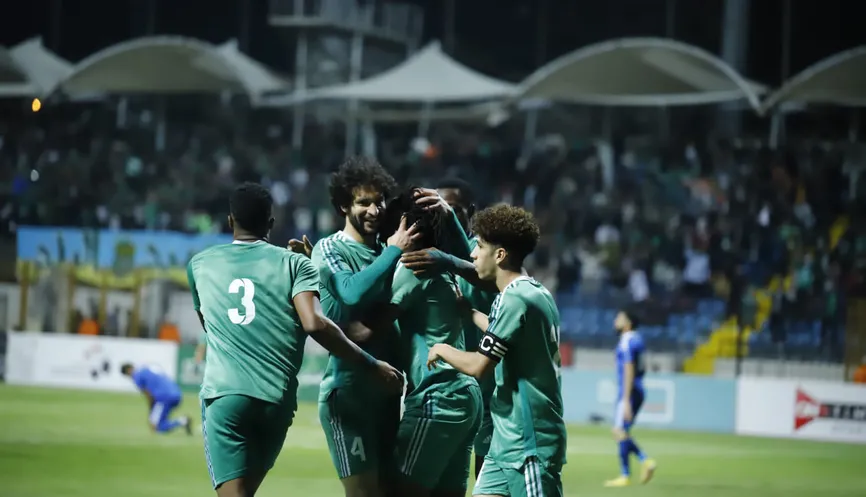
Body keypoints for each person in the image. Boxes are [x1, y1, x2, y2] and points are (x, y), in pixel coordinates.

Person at [187, 182, 402, 497]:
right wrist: (371, 363)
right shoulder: (296, 263)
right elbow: (314, 323)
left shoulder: (199, 264)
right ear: (271, 223)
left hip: (224, 395)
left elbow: (208, 323)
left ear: (230, 221)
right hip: (276, 399)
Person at [425, 204, 567, 497]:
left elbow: (479, 366)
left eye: (479, 246)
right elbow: (504, 333)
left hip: (529, 442)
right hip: (505, 442)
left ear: (500, 255)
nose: (473, 254)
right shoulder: (535, 292)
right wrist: (469, 313)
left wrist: (442, 349)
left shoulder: (513, 299)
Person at [310, 157, 420, 497]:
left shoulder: (385, 251)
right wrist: (393, 252)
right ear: (344, 206)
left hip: (387, 395)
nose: (374, 210)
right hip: (349, 395)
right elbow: (350, 292)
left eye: (379, 201)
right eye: (363, 202)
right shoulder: (330, 248)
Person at [375, 187, 482, 497]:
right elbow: (475, 269)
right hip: (465, 395)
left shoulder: (413, 267)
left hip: (437, 396)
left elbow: (371, 328)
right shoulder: (442, 266)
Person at [403, 177, 498, 479]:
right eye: (438, 210)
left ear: (471, 212)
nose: (444, 216)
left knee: (486, 482)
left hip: (488, 389)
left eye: (453, 210)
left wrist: (447, 260)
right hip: (446, 388)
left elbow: (488, 278)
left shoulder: (479, 252)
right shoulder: (425, 255)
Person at [604, 309, 656, 487]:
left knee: (619, 431)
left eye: (619, 318)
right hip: (638, 389)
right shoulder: (638, 339)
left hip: (629, 391)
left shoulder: (626, 341)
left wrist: (625, 399)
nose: (615, 320)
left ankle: (633, 469)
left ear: (628, 323)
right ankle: (640, 464)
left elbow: (628, 368)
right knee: (621, 431)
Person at [121, 363, 192, 435]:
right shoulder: (146, 369)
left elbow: (148, 395)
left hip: (164, 397)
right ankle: (180, 422)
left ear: (128, 371)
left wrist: (151, 410)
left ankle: (183, 421)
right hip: (177, 393)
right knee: (160, 420)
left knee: (156, 426)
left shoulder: (137, 376)